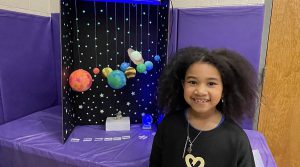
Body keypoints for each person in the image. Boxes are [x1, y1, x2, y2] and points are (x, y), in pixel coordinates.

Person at [149, 47, 258, 167]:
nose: (200, 91)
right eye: (192, 82)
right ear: (183, 84)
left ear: (224, 90)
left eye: (211, 83)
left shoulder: (236, 139)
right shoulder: (168, 125)